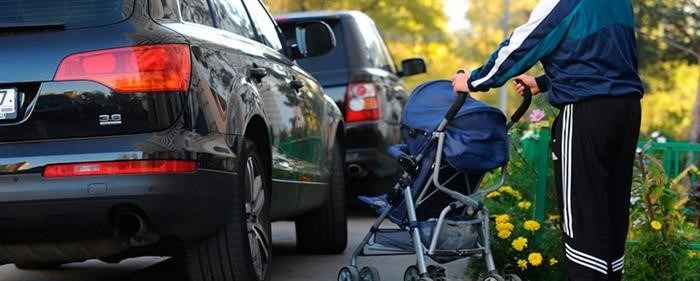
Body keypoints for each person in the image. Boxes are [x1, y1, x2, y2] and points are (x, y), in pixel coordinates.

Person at [451, 0, 643, 280]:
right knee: (611, 210)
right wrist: (542, 83)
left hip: (586, 110)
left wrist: (473, 81)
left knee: (583, 214)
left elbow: (522, 45)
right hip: (626, 109)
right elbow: (605, 60)